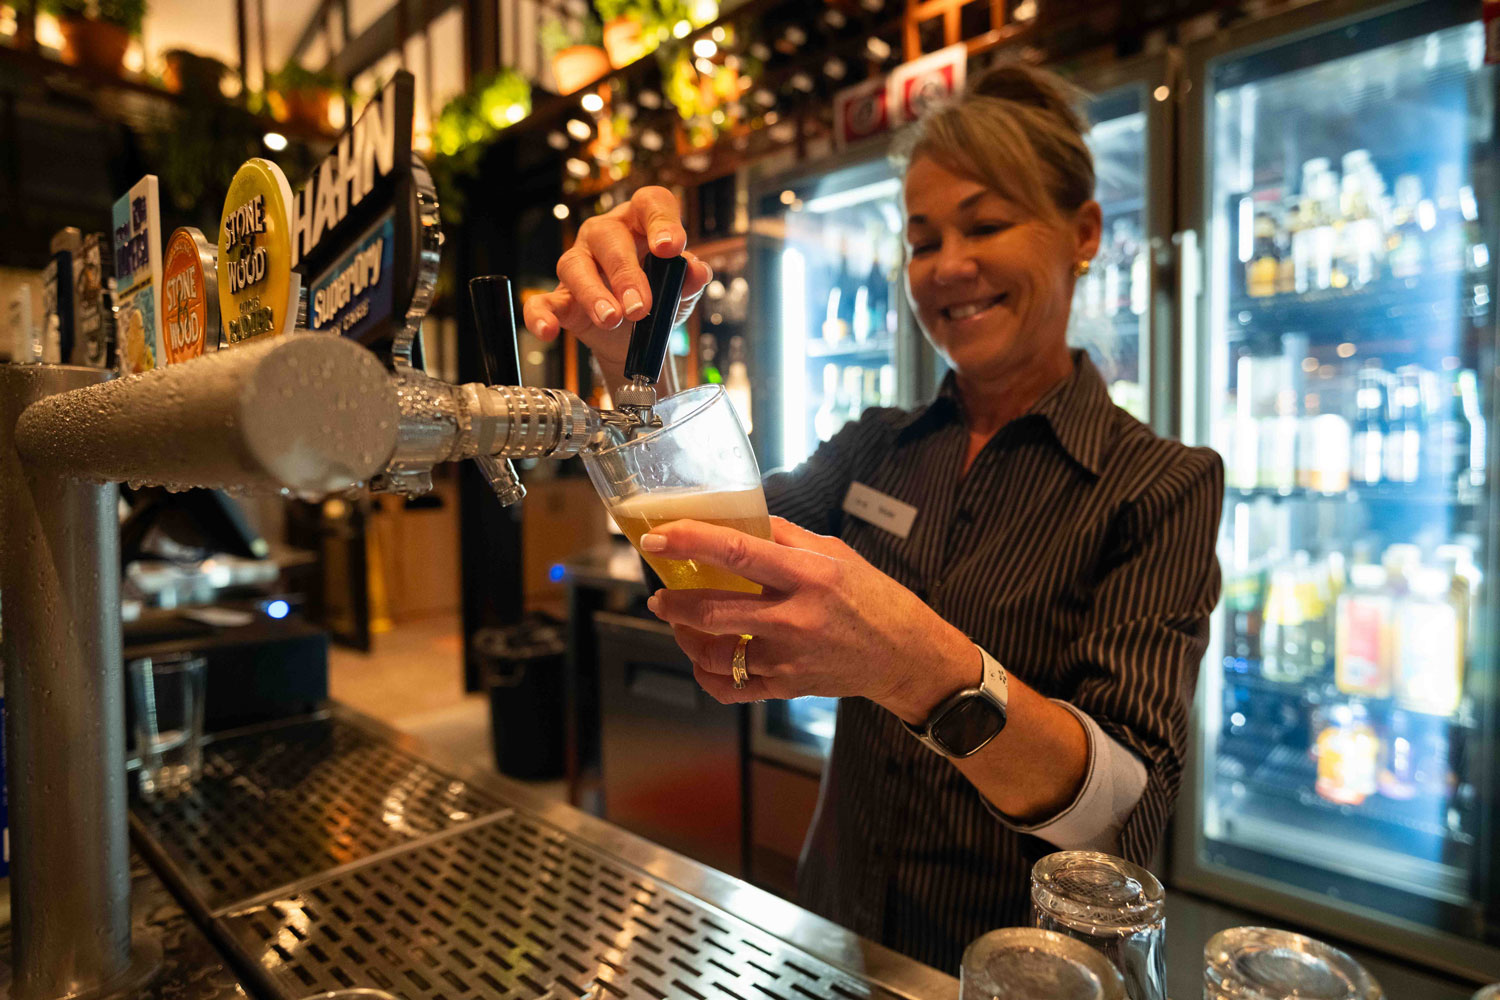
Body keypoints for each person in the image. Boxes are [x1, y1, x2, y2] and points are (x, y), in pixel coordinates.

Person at [523, 63, 1224, 972]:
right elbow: (716, 552)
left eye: (986, 224)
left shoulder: (1158, 486)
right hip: (836, 934)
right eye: (922, 239)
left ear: (1083, 233)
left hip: (1012, 974)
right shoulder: (879, 445)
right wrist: (635, 361)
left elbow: (1127, 814)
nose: (949, 268)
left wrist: (915, 663)